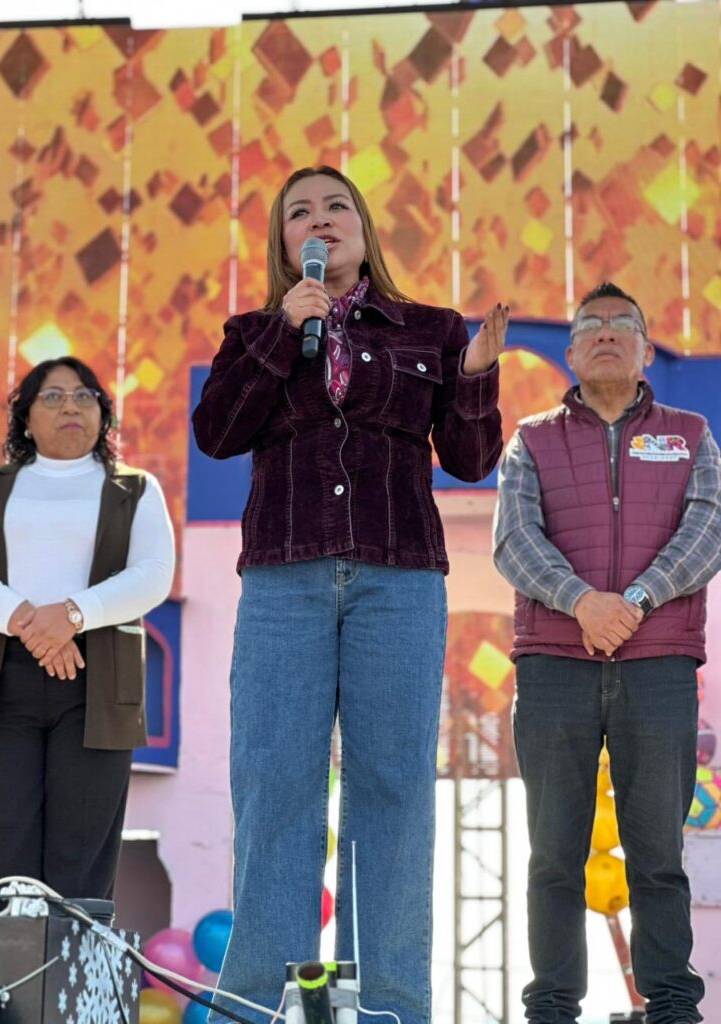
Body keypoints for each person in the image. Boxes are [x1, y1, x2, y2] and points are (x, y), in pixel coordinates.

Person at [192, 165, 507, 1024]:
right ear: (284, 242)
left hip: (398, 579)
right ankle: (258, 1005)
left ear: (364, 230)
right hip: (283, 580)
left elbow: (471, 460)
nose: (320, 220)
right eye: (300, 212)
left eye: (337, 206)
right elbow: (216, 433)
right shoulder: (253, 331)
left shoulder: (431, 330)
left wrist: (476, 376)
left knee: (392, 787)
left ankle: (391, 1008)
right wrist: (280, 333)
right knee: (275, 785)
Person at [493, 281, 721, 1023]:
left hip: (659, 668)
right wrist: (583, 602)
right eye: (591, 325)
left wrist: (637, 602)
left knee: (658, 853)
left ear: (647, 350)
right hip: (554, 666)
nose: (607, 334)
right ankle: (552, 1006)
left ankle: (672, 1005)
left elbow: (709, 528)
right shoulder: (531, 439)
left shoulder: (691, 435)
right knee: (553, 853)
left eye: (624, 324)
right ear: (571, 353)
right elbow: (513, 539)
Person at [0, 356, 175, 900]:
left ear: (103, 414)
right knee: (5, 848)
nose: (70, 406)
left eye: (84, 396)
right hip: (2, 682)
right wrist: (28, 621)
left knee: (82, 855)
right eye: (52, 396)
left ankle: (75, 958)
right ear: (25, 419)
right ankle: (8, 956)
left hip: (99, 683)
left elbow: (153, 574)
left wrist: (72, 614)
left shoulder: (136, 489)